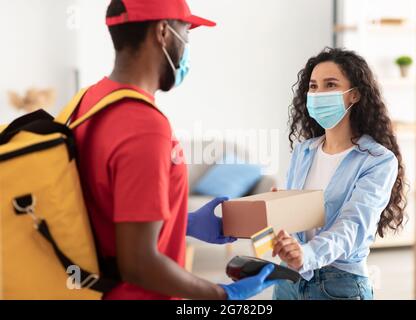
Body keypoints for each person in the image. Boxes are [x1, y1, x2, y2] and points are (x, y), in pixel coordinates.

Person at [72, 0, 277, 300]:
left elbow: (106, 214)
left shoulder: (89, 101)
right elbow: (139, 264)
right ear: (163, 32)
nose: (187, 48)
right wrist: (222, 295)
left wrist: (186, 222)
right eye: (187, 33)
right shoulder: (144, 126)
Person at [271, 47, 407, 300]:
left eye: (330, 84)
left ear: (353, 95)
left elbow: (352, 226)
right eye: (313, 86)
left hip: (338, 285)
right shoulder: (304, 151)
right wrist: (276, 212)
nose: (318, 94)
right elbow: (297, 221)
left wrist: (307, 255)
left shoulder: (377, 160)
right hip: (288, 280)